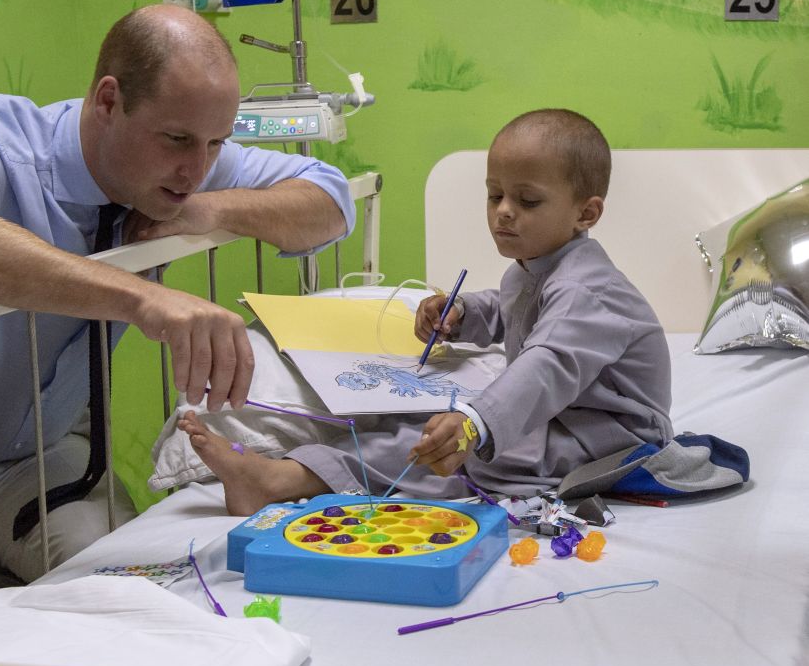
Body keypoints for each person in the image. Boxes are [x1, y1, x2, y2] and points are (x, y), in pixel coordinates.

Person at [0, 3, 355, 649]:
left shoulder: (185, 170)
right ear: (108, 100)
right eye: (177, 141)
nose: (196, 165)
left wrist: (208, 208)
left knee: (140, 602)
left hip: (46, 460)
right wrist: (140, 297)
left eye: (216, 144)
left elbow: (330, 203)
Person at [179, 108, 672, 516]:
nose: (503, 211)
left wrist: (476, 424)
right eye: (494, 194)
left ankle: (280, 479)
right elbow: (511, 313)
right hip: (566, 413)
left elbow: (548, 364)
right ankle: (322, 463)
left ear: (585, 214)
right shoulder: (534, 268)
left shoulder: (588, 289)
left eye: (526, 200)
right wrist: (462, 312)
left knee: (473, 455)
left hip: (613, 434)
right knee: (421, 418)